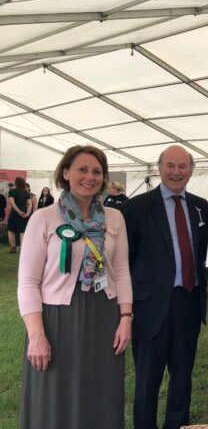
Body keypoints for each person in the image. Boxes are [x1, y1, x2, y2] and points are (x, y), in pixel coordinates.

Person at [17, 145, 133, 429]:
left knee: (100, 393)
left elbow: (121, 271)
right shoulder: (42, 219)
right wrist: (36, 335)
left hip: (104, 317)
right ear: (66, 172)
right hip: (57, 320)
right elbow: (28, 282)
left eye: (96, 171)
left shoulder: (115, 218)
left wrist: (126, 318)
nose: (90, 177)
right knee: (55, 395)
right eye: (82, 169)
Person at [122, 145, 208, 429]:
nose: (176, 172)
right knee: (147, 380)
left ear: (191, 171)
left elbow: (207, 250)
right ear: (159, 169)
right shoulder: (136, 207)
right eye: (170, 166)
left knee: (183, 376)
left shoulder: (200, 206)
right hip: (150, 305)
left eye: (182, 166)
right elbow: (126, 258)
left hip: (189, 299)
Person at [7, 177, 32, 253]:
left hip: (15, 213)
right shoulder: (26, 192)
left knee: (11, 230)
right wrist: (27, 213)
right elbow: (30, 204)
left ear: (16, 183)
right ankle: (22, 249)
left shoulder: (12, 191)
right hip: (24, 213)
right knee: (22, 231)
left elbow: (12, 203)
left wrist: (18, 211)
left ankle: (13, 248)